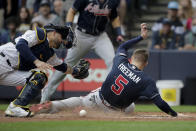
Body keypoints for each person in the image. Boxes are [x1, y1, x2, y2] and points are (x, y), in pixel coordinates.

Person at [31, 23, 178, 117]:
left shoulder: (121, 61)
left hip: (97, 99)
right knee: (131, 107)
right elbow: (160, 102)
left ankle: (53, 105)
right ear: (145, 64)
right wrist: (173, 114)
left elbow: (122, 47)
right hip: (114, 112)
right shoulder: (146, 81)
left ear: (132, 57)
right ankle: (92, 112)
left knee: (79, 101)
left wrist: (140, 37)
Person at [40, 0, 124, 103]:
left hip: (100, 37)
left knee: (112, 61)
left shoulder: (112, 2)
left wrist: (119, 33)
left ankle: (110, 96)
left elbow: (114, 17)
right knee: (67, 64)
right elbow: (72, 11)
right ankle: (46, 94)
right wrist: (69, 28)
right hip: (81, 35)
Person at [2, 23, 89, 117]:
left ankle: (15, 107)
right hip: (2, 60)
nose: (62, 42)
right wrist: (36, 61)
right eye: (62, 38)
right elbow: (21, 45)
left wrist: (76, 71)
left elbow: (62, 67)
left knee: (39, 78)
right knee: (39, 76)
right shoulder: (40, 34)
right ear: (55, 33)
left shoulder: (49, 53)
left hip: (9, 71)